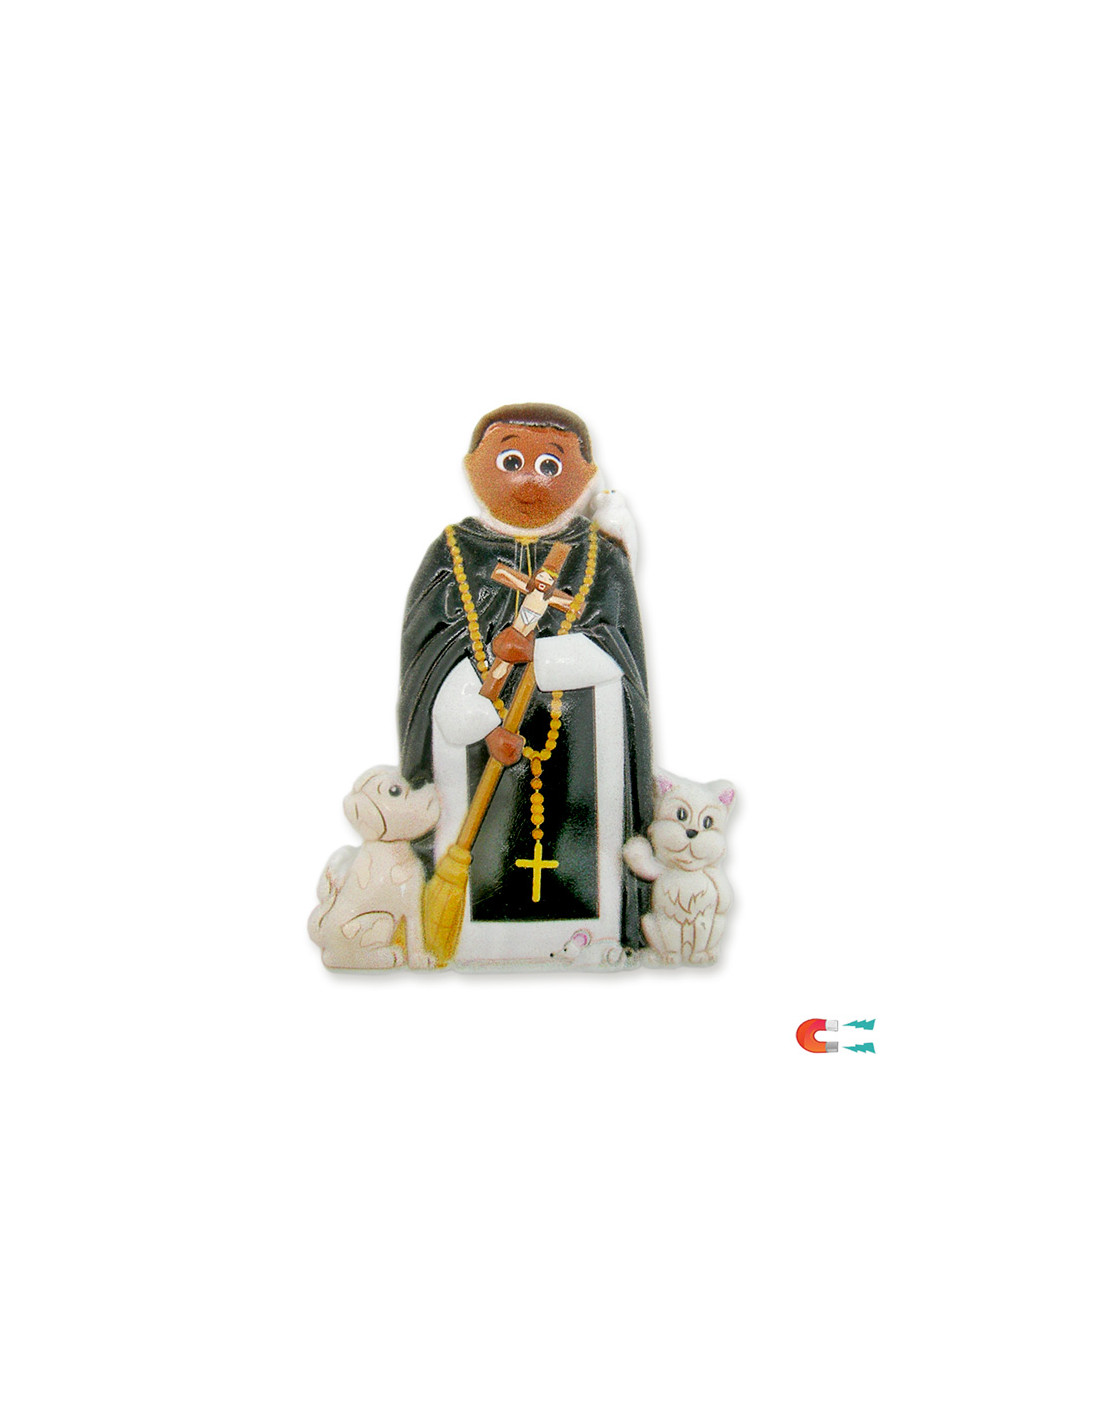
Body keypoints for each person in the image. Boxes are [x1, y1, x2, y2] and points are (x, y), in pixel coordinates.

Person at [398, 403, 653, 966]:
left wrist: (538, 652)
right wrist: (480, 722)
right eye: (511, 461)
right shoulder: (452, 553)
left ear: (585, 475)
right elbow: (429, 658)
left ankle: (592, 934)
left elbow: (618, 652)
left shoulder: (600, 557)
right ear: (473, 466)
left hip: (583, 749)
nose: (531, 480)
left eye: (551, 464)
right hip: (474, 748)